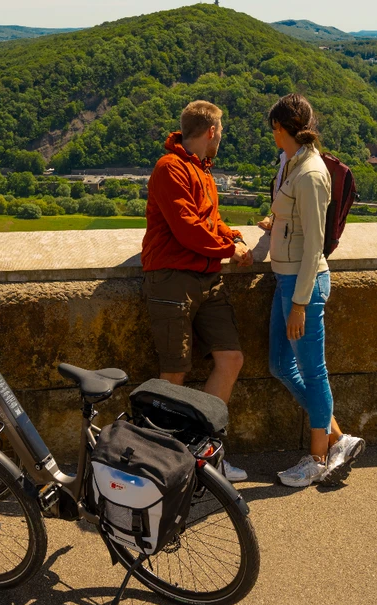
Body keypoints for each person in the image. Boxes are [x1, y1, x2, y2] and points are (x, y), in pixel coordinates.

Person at [142, 100, 253, 482]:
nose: (221, 137)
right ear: (210, 132)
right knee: (173, 374)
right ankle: (163, 467)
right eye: (221, 131)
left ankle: (202, 455)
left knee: (231, 358)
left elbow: (209, 220)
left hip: (207, 279)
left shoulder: (200, 171)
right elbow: (187, 228)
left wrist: (232, 236)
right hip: (173, 277)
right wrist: (228, 249)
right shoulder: (169, 168)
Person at [258, 93, 364, 488]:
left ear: (280, 129)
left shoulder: (311, 173)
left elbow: (315, 241)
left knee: (313, 370)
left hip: (303, 283)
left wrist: (300, 302)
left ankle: (319, 458)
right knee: (279, 365)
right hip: (285, 277)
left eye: (273, 129)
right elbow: (296, 220)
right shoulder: (291, 165)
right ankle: (338, 436)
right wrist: (276, 222)